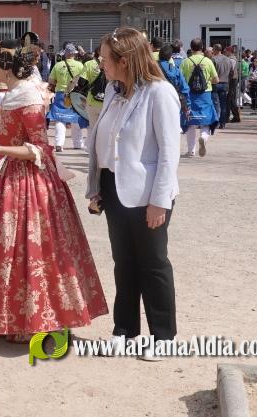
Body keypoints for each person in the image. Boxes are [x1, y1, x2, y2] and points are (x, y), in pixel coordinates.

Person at [0, 40, 107, 343]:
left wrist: (2, 148)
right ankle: (5, 315)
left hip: (26, 181)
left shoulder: (28, 95)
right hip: (1, 173)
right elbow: (0, 134)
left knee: (30, 248)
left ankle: (34, 318)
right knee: (0, 247)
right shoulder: (12, 94)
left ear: (6, 65)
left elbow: (40, 146)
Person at [86, 27, 181, 361]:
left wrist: (160, 200)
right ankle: (125, 331)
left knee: (153, 264)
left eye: (105, 58)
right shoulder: (114, 91)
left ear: (124, 60)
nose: (101, 63)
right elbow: (104, 140)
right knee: (123, 264)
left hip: (148, 193)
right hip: (115, 188)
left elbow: (170, 153)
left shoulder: (159, 93)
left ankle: (164, 336)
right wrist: (96, 186)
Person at [180, 39, 218, 158]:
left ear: (191, 48)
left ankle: (191, 151)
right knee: (206, 120)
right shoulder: (208, 61)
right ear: (202, 48)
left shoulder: (185, 62)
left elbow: (181, 80)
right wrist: (206, 81)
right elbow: (216, 79)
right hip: (205, 95)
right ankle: (204, 137)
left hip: (190, 95)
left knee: (190, 121)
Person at [47, 43, 88, 151]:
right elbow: (84, 80)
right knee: (75, 118)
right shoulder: (80, 65)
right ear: (74, 54)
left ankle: (59, 144)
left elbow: (51, 81)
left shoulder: (58, 65)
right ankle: (78, 144)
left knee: (60, 118)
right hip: (75, 95)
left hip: (61, 94)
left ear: (65, 53)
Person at [211, 44, 234, 130]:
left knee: (216, 104)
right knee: (223, 104)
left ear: (215, 50)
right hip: (225, 83)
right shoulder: (228, 59)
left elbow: (211, 72)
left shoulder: (213, 59)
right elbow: (232, 72)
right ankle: (223, 123)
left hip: (215, 83)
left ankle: (216, 122)